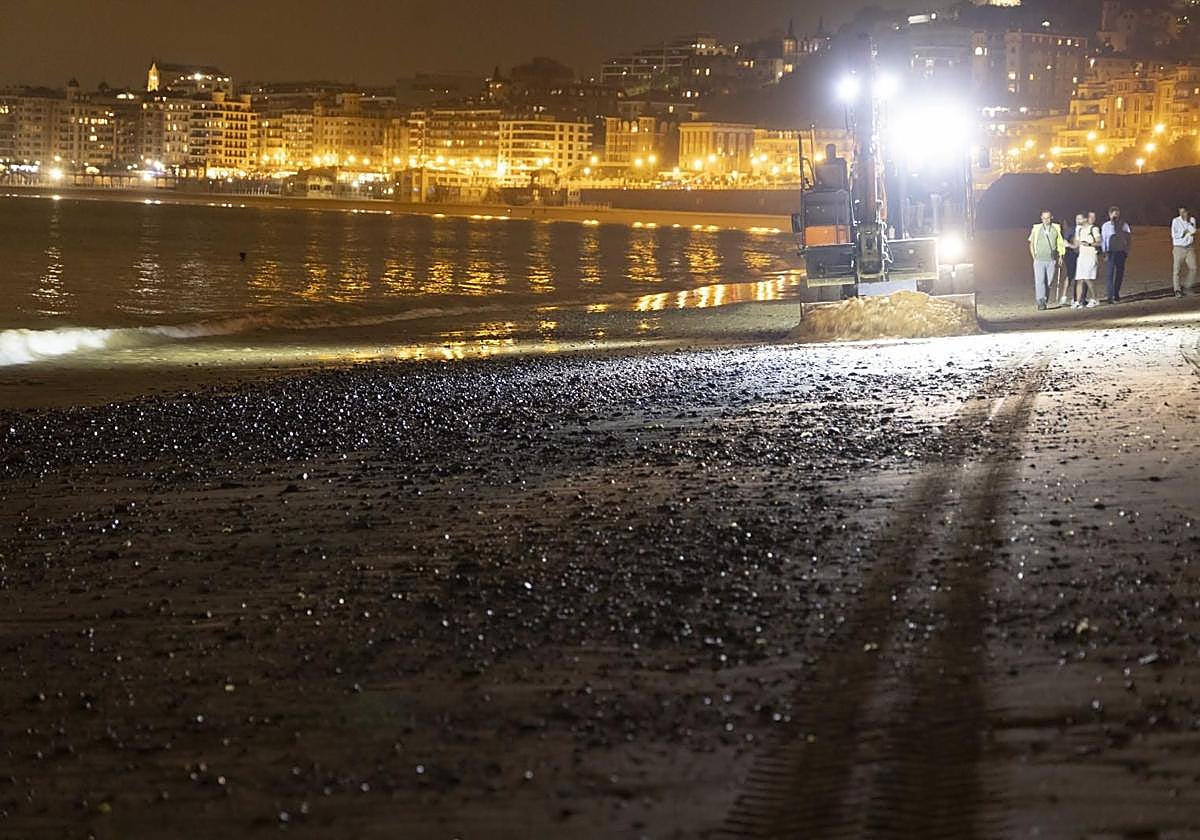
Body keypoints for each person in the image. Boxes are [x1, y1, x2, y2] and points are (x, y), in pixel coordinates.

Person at [1028, 209, 1065, 310]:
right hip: (1039, 259)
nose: (1046, 220)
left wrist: (1061, 255)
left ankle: (1045, 299)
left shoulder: (1056, 228)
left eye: (1048, 218)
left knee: (1048, 281)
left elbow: (1060, 243)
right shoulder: (1036, 228)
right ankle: (1041, 301)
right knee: (1040, 281)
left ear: (1051, 218)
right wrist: (1034, 256)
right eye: (1044, 218)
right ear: (1041, 218)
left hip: (1051, 260)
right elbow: (1031, 243)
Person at [1101, 205, 1132, 303]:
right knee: (1109, 274)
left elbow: (1128, 238)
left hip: (1120, 252)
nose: (1115, 217)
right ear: (1109, 215)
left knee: (1119, 274)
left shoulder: (1124, 225)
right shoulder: (1105, 226)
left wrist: (1127, 250)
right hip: (1110, 252)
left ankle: (1116, 293)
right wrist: (1104, 252)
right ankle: (1110, 296)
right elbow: (1104, 240)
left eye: (1117, 215)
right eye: (1114, 215)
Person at [1073, 211, 1101, 309]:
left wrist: (1089, 244)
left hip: (1091, 256)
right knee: (1080, 279)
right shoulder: (1079, 230)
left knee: (1088, 278)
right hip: (1081, 257)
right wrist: (1068, 245)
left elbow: (1099, 242)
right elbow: (1076, 245)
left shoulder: (1093, 229)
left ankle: (1095, 299)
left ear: (1085, 219)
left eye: (1080, 218)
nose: (1078, 221)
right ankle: (1078, 301)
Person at [1171, 206, 1196, 297]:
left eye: (1184, 212)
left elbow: (1193, 231)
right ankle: (1177, 290)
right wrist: (1184, 232)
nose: (1182, 214)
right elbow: (1175, 235)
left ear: (1187, 212)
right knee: (1176, 270)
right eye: (1180, 212)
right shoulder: (1175, 221)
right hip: (1179, 248)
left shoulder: (1192, 220)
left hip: (1189, 248)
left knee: (1193, 268)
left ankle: (1187, 286)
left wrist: (1187, 223)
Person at [1059, 214, 1082, 307]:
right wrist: (1062, 255)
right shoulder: (1070, 230)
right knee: (1070, 275)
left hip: (1079, 255)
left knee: (1078, 276)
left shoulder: (1081, 229)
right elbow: (1065, 243)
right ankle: (1064, 296)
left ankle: (1076, 297)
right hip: (1071, 255)